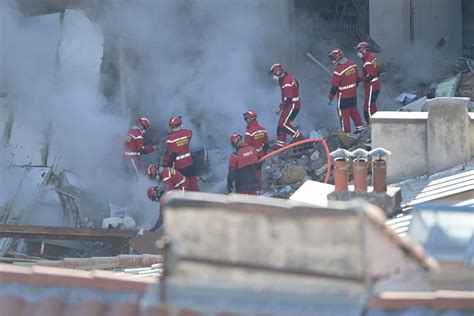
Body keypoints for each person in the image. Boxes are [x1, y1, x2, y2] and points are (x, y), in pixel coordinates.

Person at [327, 49, 365, 134]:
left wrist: (330, 98)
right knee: (354, 110)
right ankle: (361, 128)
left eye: (332, 58)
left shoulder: (338, 71)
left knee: (344, 116)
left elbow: (334, 87)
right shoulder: (353, 64)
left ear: (336, 59)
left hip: (343, 96)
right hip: (353, 94)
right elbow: (357, 79)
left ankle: (347, 134)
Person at [269, 63, 304, 148]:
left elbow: (288, 98)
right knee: (282, 123)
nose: (273, 75)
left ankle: (300, 138)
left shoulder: (286, 81)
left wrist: (280, 108)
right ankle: (280, 144)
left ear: (277, 71)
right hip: (292, 104)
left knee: (283, 124)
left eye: (273, 73)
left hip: (292, 105)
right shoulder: (287, 77)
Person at [162, 116, 200, 191]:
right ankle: (199, 199)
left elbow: (173, 153)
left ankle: (185, 200)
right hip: (190, 163)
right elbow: (190, 134)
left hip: (179, 166)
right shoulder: (187, 133)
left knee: (182, 184)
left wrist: (169, 166)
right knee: (193, 183)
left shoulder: (170, 139)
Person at [243, 110, 269, 192]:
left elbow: (246, 148)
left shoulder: (249, 132)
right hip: (261, 156)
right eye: (245, 118)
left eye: (246, 118)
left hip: (252, 157)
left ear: (252, 118)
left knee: (251, 175)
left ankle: (254, 192)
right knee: (258, 174)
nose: (246, 120)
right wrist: (263, 154)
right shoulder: (263, 130)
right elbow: (266, 144)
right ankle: (258, 190)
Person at [357, 42, 381, 125]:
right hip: (376, 85)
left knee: (367, 107)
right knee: (373, 105)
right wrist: (360, 79)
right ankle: (377, 122)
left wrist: (362, 80)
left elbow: (370, 75)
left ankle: (370, 125)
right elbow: (377, 72)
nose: (358, 53)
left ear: (364, 51)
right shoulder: (372, 58)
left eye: (360, 51)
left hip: (371, 86)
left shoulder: (367, 62)